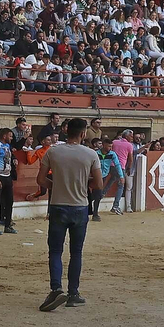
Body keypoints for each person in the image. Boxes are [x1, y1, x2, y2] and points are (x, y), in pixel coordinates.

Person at [32, 117, 100, 311]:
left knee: (55, 250)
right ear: (83, 133)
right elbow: (99, 184)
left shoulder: (53, 151)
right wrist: (83, 187)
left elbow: (41, 179)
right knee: (76, 251)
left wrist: (58, 186)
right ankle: (73, 294)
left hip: (58, 206)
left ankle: (56, 289)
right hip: (80, 207)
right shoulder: (90, 153)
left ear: (66, 131)